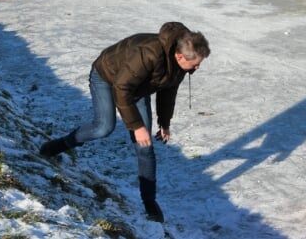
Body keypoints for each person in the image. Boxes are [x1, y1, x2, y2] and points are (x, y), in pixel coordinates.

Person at [38, 22, 211, 223]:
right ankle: (60, 145)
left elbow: (168, 92)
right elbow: (121, 89)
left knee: (145, 147)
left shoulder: (180, 66)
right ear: (180, 56)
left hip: (137, 87)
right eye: (196, 63)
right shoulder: (149, 54)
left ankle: (149, 202)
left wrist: (164, 123)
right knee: (103, 127)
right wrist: (137, 127)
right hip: (107, 77)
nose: (197, 67)